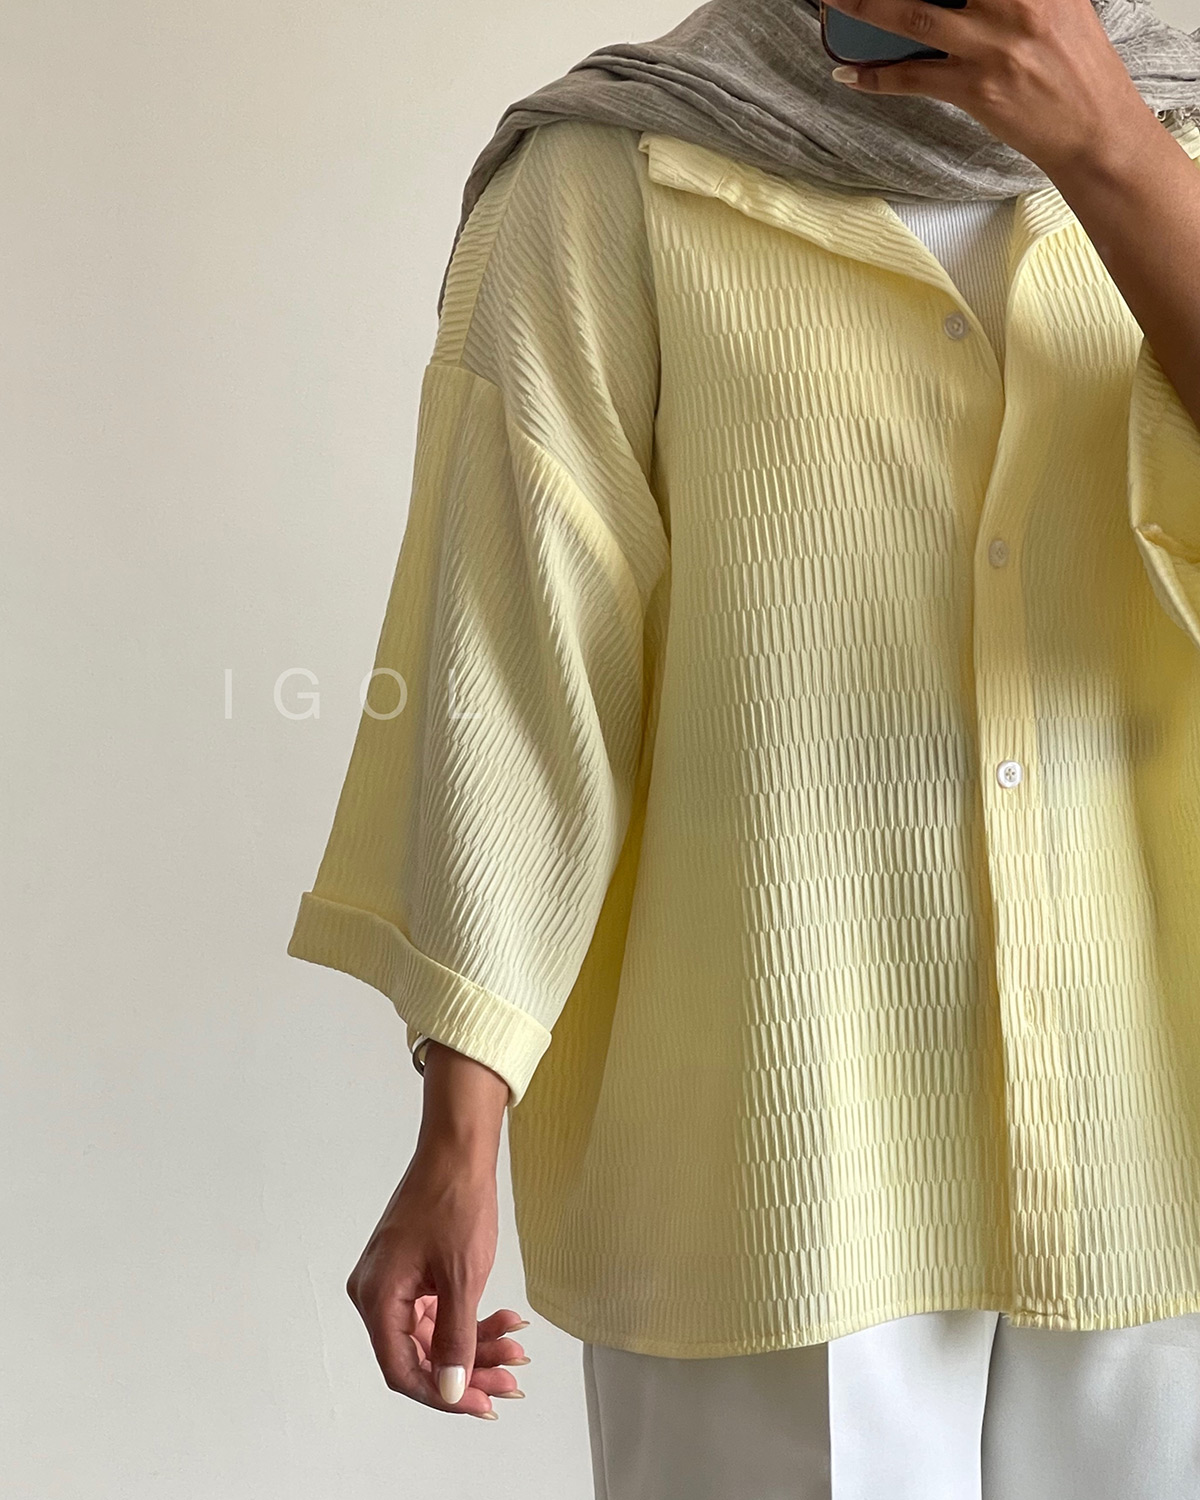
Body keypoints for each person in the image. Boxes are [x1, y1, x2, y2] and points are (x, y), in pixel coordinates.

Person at [287, 0, 1200, 1494]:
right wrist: (460, 1124)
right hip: (775, 1122)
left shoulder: (1178, 131)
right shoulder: (609, 172)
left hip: (1164, 1107)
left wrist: (1109, 142)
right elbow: (508, 657)